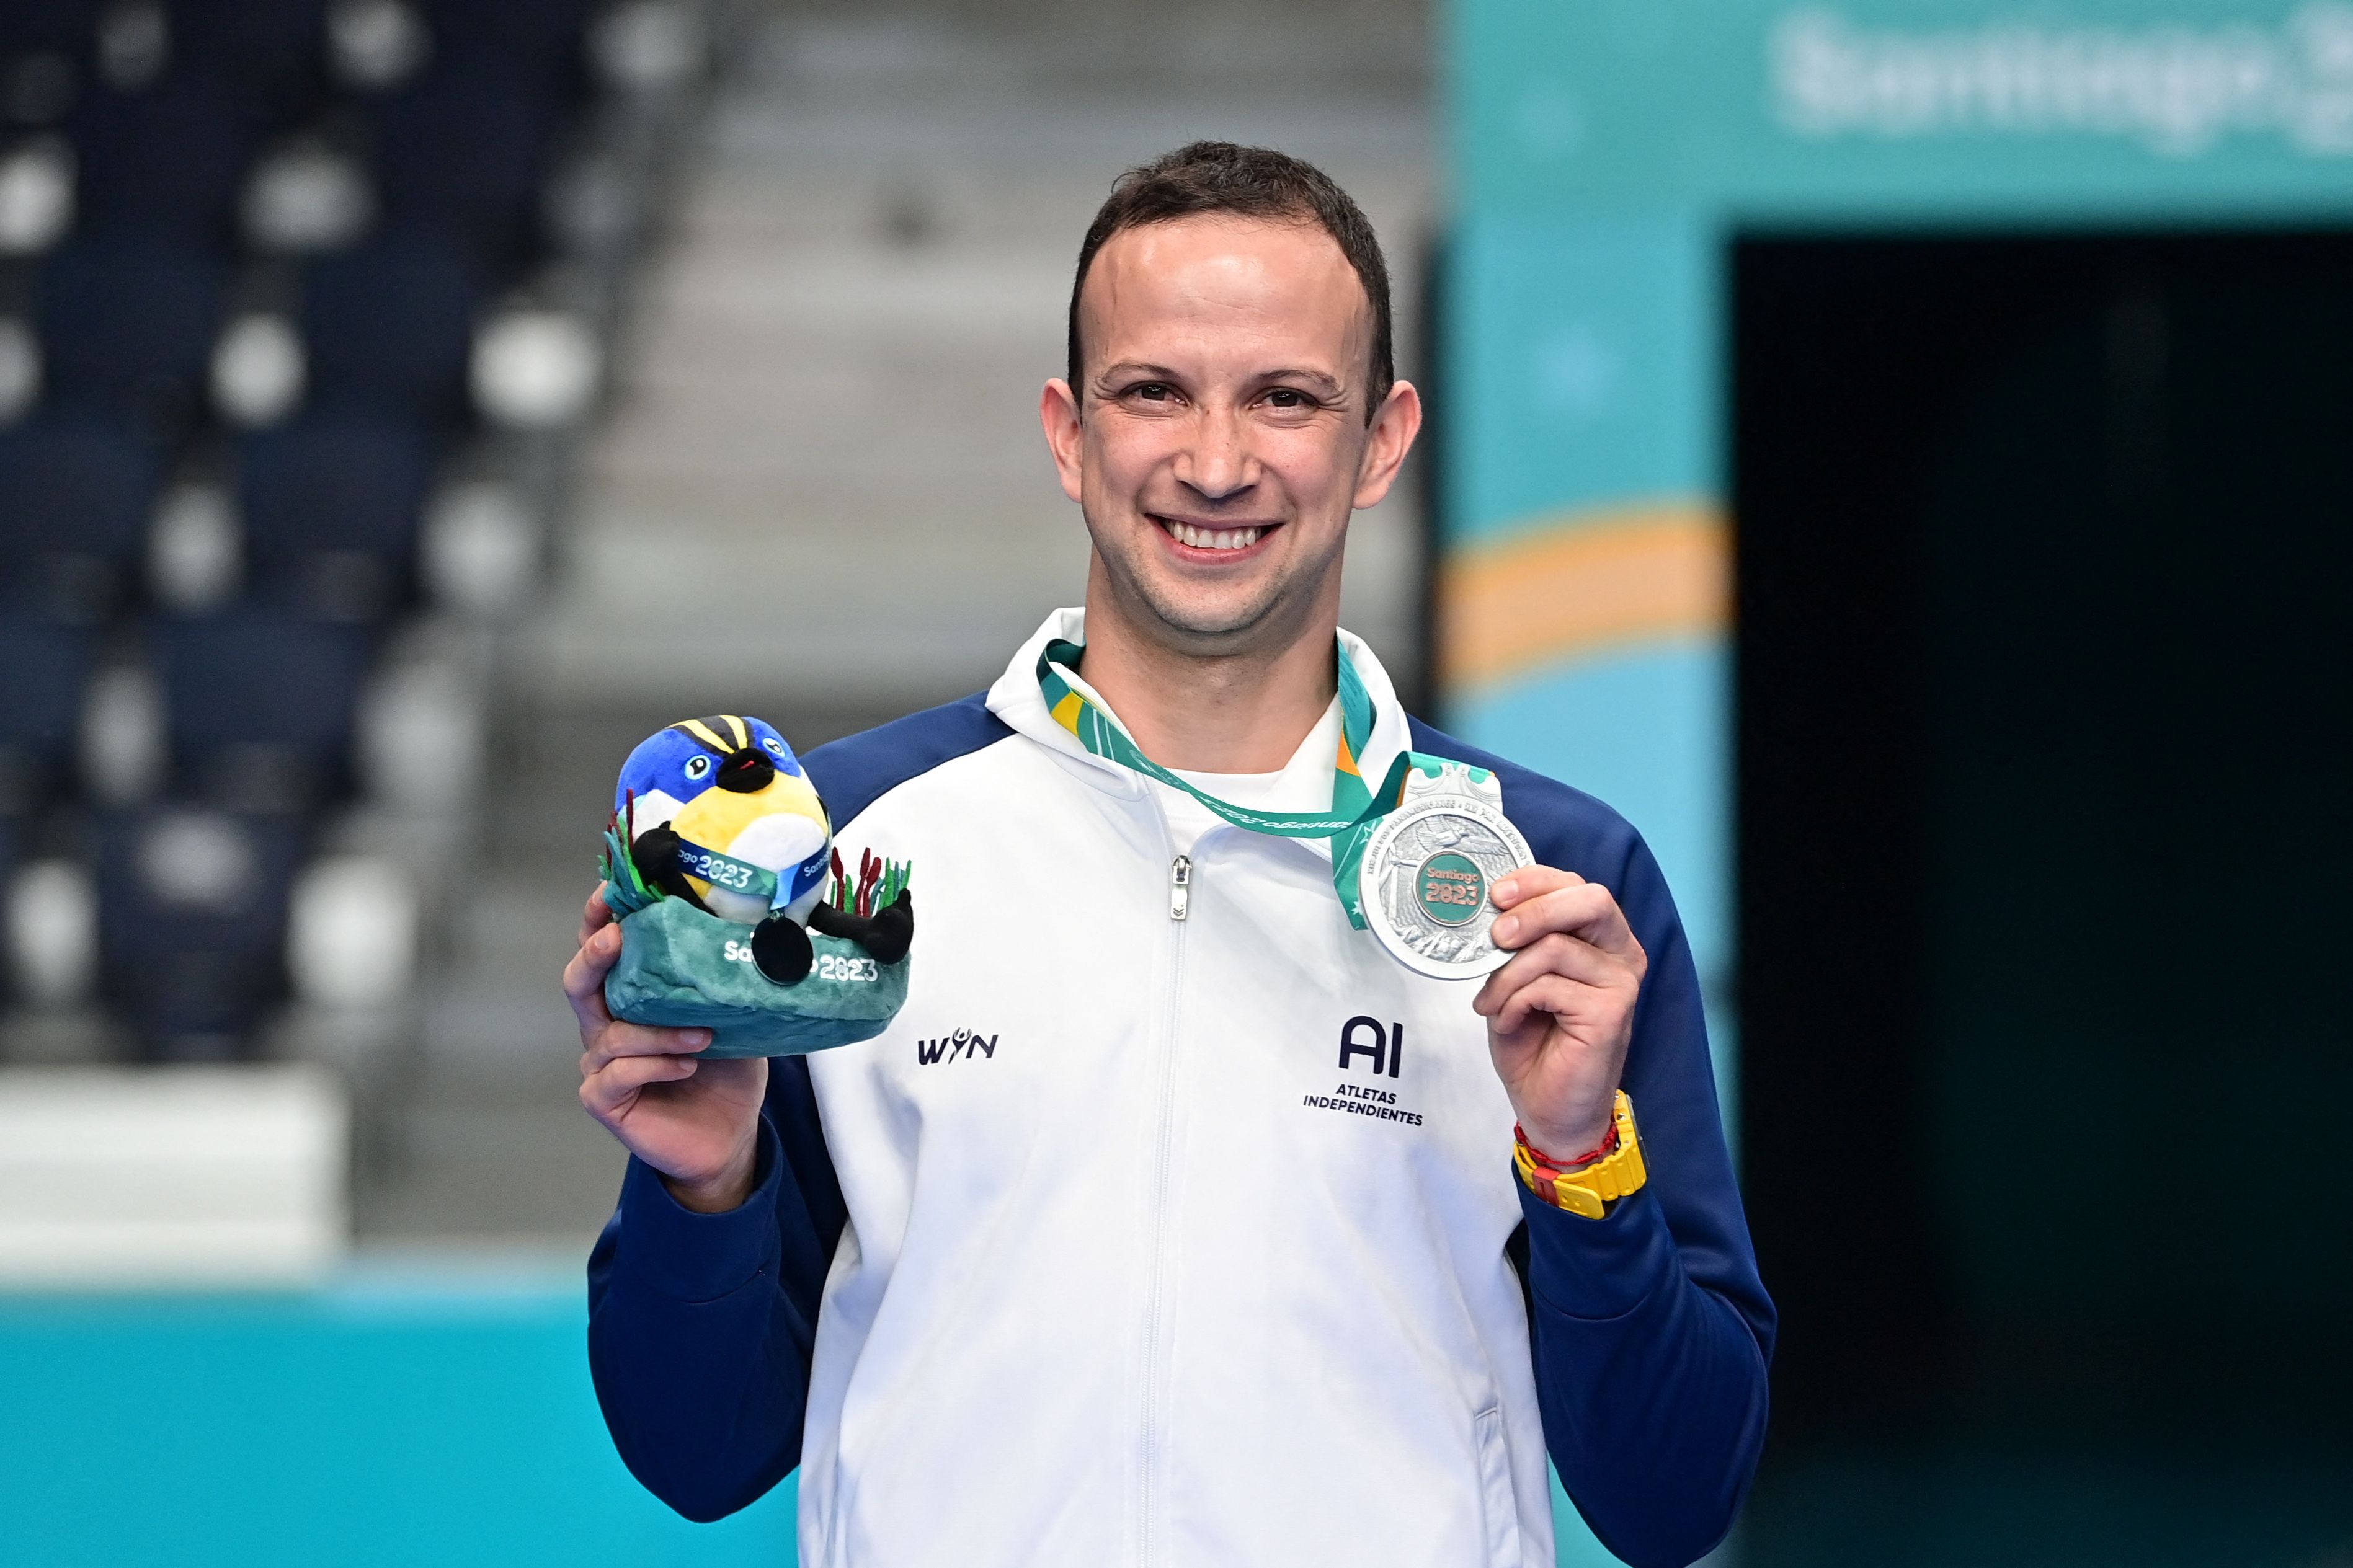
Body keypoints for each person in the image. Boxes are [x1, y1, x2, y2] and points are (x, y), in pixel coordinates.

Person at [567, 141, 1771, 1568]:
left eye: (1284, 397)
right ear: (1069, 431)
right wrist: (705, 1189)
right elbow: (697, 1455)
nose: (1214, 462)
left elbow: (1675, 1492)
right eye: (1154, 391)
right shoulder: (852, 856)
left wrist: (1580, 1158)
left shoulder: (1548, 883)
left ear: (1383, 438)